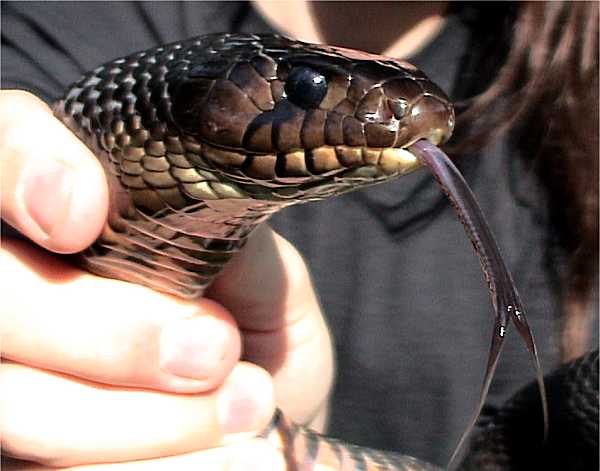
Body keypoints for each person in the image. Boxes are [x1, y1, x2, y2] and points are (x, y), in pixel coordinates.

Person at [1, 1, 597, 469]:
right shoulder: (60, 24)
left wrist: (285, 435)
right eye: (309, 91)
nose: (406, 121)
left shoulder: (570, 118)